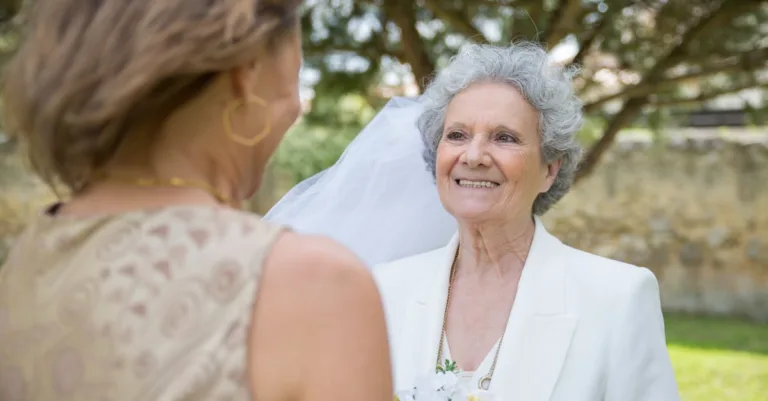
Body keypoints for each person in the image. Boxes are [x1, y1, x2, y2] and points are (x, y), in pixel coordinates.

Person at [0, 1, 392, 400]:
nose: (294, 107)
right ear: (247, 71)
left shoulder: (24, 264)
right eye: (295, 74)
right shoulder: (315, 287)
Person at [267, 42, 680, 400]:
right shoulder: (385, 289)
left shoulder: (618, 298)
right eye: (458, 135)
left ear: (550, 169)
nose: (474, 155)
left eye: (505, 137)